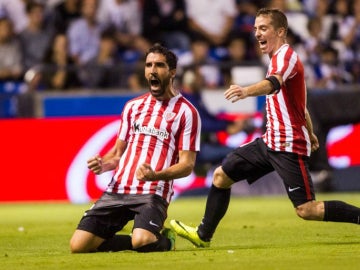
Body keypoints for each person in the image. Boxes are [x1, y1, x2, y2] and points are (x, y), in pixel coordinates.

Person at [170, 8, 360, 248]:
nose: (256, 33)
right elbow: (300, 107)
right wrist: (310, 131)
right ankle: (203, 235)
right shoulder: (275, 59)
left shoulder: (285, 57)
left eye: (263, 28)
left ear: (280, 32)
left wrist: (246, 90)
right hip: (270, 141)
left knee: (307, 209)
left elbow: (273, 84)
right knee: (221, 175)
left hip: (288, 145)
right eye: (255, 28)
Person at [69, 44, 201, 253]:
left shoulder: (187, 112)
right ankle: (141, 238)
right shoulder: (133, 107)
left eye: (159, 65)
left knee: (142, 241)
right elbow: (117, 154)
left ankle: (166, 240)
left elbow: (187, 165)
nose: (152, 70)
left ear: (172, 72)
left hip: (152, 192)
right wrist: (103, 164)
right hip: (118, 189)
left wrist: (155, 175)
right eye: (149, 65)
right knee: (78, 246)